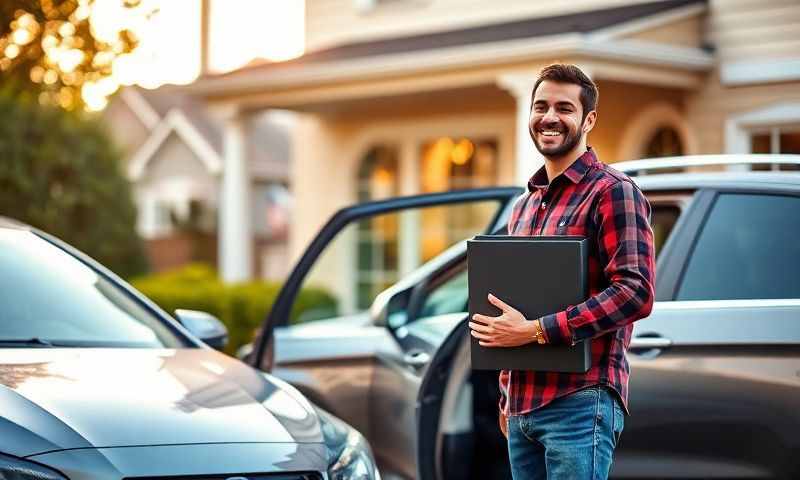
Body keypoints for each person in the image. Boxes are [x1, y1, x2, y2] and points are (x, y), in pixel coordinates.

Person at [468, 63, 655, 480]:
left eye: (564, 108)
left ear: (588, 119)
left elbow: (635, 291)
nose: (549, 117)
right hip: (521, 408)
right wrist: (506, 394)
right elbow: (513, 305)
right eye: (541, 106)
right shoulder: (524, 206)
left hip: (579, 400)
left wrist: (537, 330)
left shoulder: (613, 191)